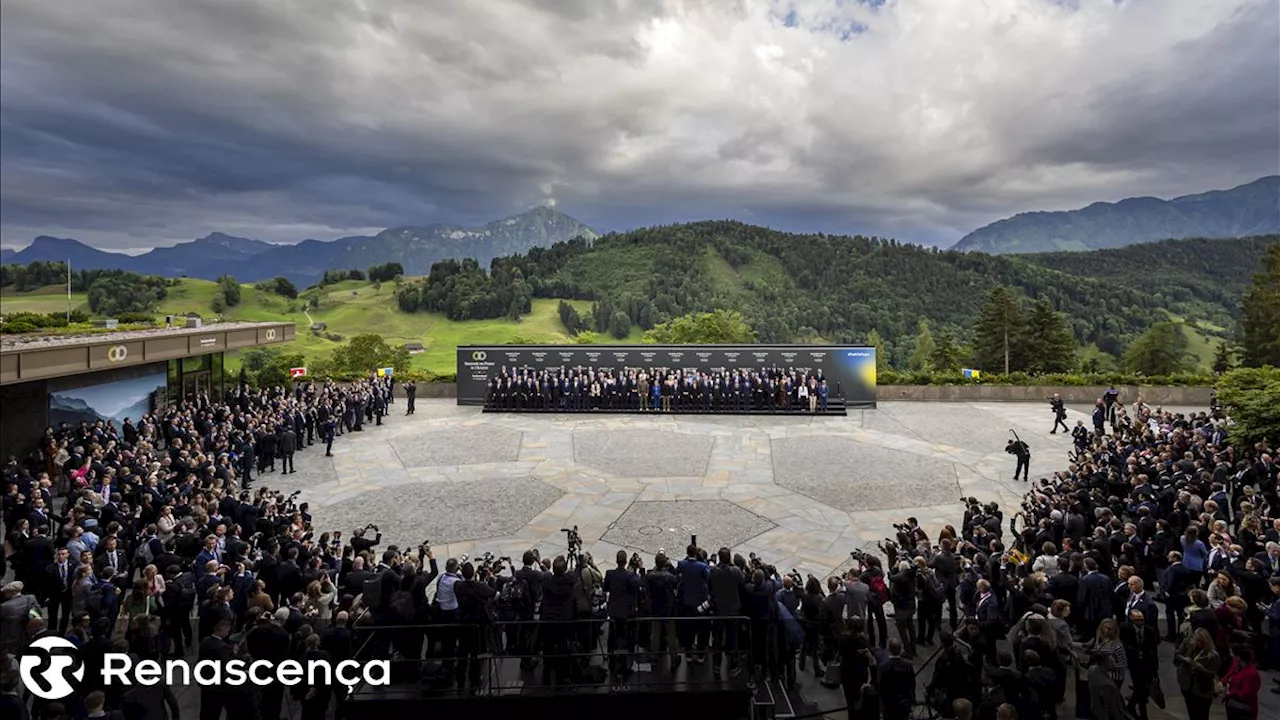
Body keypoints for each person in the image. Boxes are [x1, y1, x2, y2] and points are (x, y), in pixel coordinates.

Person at [1174, 628, 1221, 720]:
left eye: (1200, 642)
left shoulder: (1213, 656)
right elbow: (1178, 654)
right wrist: (1184, 659)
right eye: (1196, 641)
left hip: (1202, 690)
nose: (1197, 644)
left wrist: (1201, 669)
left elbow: (1213, 674)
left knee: (1202, 715)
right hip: (1187, 685)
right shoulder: (1189, 644)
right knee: (1192, 713)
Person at [1220, 644, 1261, 720]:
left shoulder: (1251, 674)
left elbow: (1246, 694)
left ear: (1239, 657)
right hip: (1233, 706)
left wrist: (1230, 692)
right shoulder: (1238, 666)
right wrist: (1222, 683)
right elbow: (1229, 675)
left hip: (1243, 710)